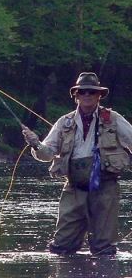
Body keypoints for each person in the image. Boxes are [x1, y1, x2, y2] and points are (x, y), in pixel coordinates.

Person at [22, 72, 132, 255]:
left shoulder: (113, 119)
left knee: (104, 248)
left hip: (105, 188)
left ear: (99, 95)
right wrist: (35, 144)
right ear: (76, 96)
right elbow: (47, 154)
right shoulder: (63, 122)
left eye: (91, 91)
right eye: (82, 92)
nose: (86, 95)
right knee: (62, 246)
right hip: (74, 188)